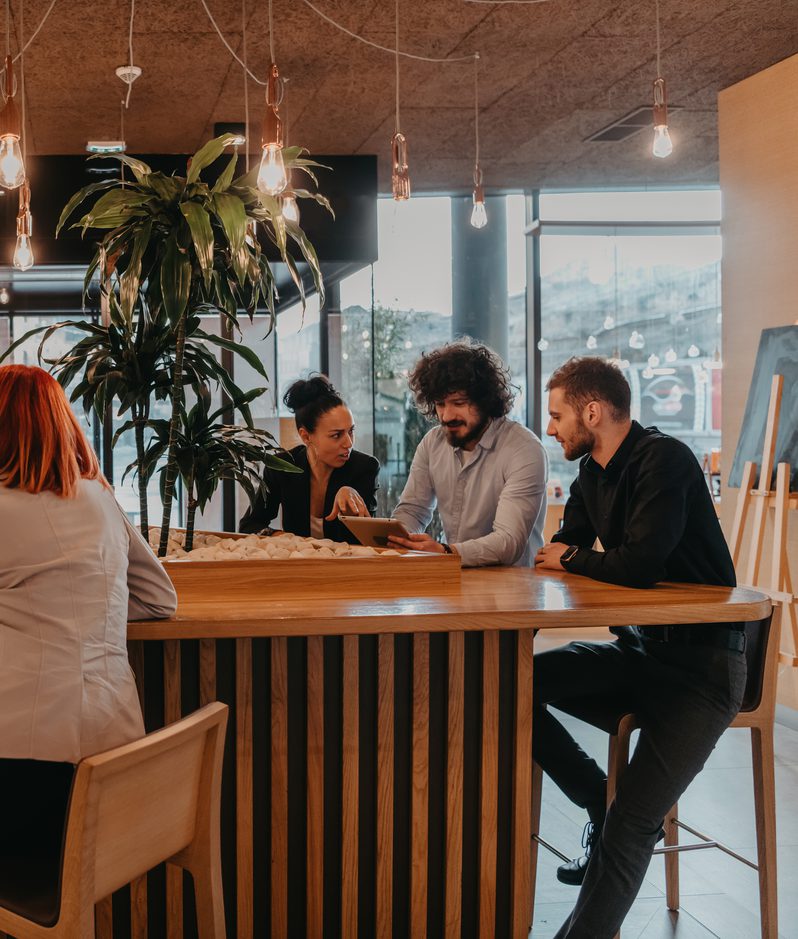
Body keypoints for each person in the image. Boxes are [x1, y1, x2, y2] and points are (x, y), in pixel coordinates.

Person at [533, 356, 745, 939]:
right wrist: (570, 556)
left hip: (702, 671)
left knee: (634, 823)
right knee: (511, 683)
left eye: (556, 415)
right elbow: (566, 546)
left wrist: (574, 558)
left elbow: (639, 565)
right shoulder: (591, 473)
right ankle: (591, 797)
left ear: (592, 411)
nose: (550, 428)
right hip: (640, 655)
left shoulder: (666, 460)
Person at [0, 365, 177, 878]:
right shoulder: (100, 499)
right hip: (113, 764)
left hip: (22, 767)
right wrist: (93, 611)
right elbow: (159, 598)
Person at [389, 338, 547, 566]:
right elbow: (413, 511)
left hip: (515, 588)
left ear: (485, 400)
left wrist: (444, 552)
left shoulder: (523, 449)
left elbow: (508, 542)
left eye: (459, 403)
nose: (446, 415)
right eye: (441, 404)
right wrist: (396, 539)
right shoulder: (432, 443)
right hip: (455, 581)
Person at [240, 375, 379, 544]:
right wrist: (284, 538)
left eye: (351, 431)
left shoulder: (364, 468)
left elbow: (370, 541)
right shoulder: (282, 466)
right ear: (306, 436)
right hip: (297, 565)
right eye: (337, 435)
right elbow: (249, 525)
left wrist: (351, 503)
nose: (349, 443)